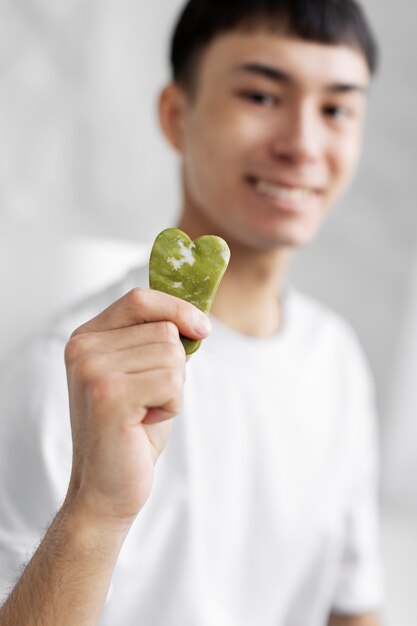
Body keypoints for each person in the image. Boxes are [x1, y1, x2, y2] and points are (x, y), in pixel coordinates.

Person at [0, 0, 383, 624]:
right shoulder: (73, 373)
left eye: (337, 108)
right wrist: (95, 511)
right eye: (261, 96)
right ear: (178, 116)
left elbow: (352, 608)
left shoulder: (337, 359)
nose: (303, 143)